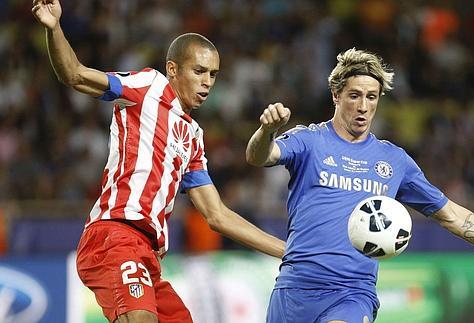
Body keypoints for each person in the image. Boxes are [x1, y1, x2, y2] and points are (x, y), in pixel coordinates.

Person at [245, 48, 474, 323]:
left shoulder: (393, 161)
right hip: (295, 289)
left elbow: (453, 216)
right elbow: (258, 156)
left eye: (372, 97)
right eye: (354, 95)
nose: (363, 106)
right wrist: (266, 131)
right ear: (336, 95)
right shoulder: (309, 140)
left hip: (352, 293)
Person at [32, 1, 285, 322]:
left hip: (148, 256)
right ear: (173, 69)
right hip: (115, 236)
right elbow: (76, 75)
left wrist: (288, 252)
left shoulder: (193, 135)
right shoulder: (147, 86)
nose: (207, 82)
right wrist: (54, 28)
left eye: (213, 74)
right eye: (199, 71)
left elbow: (217, 215)